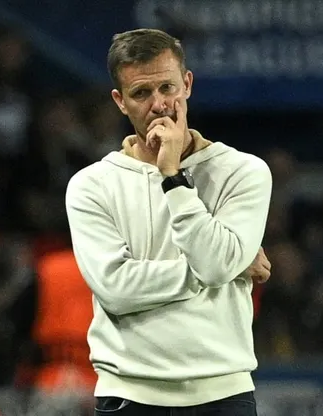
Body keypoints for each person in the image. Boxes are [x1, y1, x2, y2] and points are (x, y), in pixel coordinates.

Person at [65, 28, 273, 415]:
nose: (159, 104)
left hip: (223, 395)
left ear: (187, 84)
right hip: (129, 396)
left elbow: (215, 265)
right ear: (120, 101)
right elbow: (117, 289)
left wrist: (173, 177)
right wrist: (223, 267)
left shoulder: (243, 172)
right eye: (141, 93)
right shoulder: (90, 185)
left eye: (167, 88)